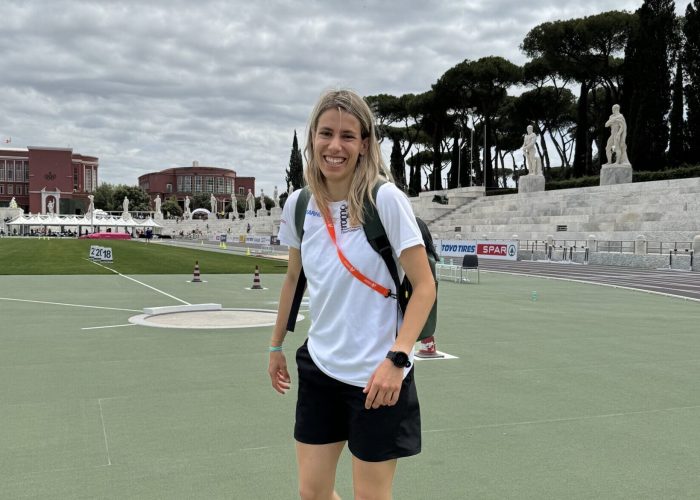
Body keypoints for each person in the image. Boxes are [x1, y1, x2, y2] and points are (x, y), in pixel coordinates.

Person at [268, 89, 436, 500]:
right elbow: (293, 278)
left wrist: (398, 359)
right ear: (313, 139)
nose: (335, 146)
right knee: (313, 493)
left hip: (378, 375)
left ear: (364, 144)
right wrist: (276, 345)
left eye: (348, 135)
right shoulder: (298, 204)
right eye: (326, 133)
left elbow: (425, 285)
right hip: (320, 366)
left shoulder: (386, 200)